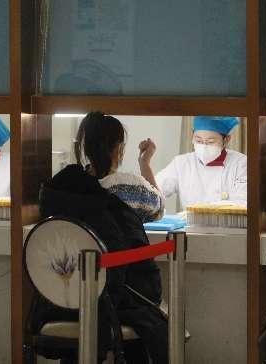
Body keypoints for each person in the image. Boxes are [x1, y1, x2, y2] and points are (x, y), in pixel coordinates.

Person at [30, 112, 167, 363]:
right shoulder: (129, 187)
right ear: (119, 149)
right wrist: (145, 163)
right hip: (118, 298)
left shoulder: (62, 188)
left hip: (63, 299)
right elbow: (158, 209)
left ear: (84, 148)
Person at [151, 116, 247, 210]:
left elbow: (243, 202)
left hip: (226, 220)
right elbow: (154, 192)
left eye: (210, 142)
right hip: (190, 221)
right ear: (192, 136)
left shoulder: (240, 163)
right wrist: (145, 163)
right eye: (199, 141)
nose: (204, 147)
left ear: (226, 140)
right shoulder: (182, 163)